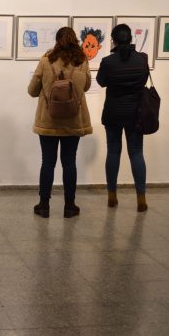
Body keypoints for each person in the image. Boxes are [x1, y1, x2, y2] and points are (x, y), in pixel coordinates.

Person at [28, 26, 93, 219]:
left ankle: (44, 205)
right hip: (73, 120)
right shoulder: (81, 61)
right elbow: (87, 86)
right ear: (76, 41)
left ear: (56, 40)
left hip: (48, 120)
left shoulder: (46, 60)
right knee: (69, 162)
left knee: (47, 162)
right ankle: (69, 206)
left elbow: (32, 90)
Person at [96, 23, 151, 212]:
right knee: (136, 153)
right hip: (136, 113)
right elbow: (143, 81)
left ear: (114, 40)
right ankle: (141, 198)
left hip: (113, 112)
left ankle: (112, 196)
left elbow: (101, 82)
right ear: (130, 38)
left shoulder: (108, 62)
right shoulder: (142, 60)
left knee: (113, 152)